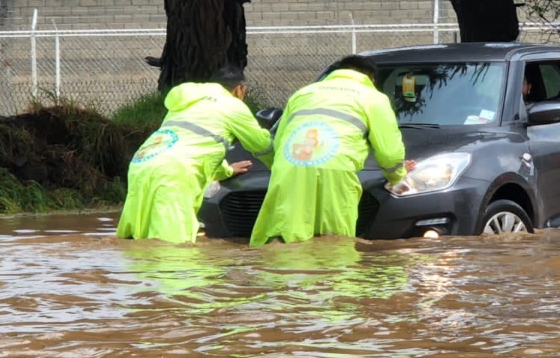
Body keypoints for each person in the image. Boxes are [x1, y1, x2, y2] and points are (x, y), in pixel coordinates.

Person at [250, 55, 415, 246]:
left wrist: (280, 168)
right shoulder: (373, 97)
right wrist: (397, 175)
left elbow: (278, 142)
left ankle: (275, 273)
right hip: (337, 171)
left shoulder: (302, 93)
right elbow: (388, 151)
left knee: (285, 234)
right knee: (335, 242)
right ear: (371, 79)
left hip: (290, 168)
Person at [117, 65, 274, 244]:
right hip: (174, 172)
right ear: (240, 89)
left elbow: (190, 145)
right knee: (172, 247)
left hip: (143, 164)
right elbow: (262, 145)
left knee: (135, 238)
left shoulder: (185, 103)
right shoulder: (232, 106)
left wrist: (226, 170)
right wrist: (279, 167)